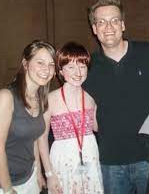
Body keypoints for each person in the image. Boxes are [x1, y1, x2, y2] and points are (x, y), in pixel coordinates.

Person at [83, 0, 149, 194]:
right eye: (101, 22)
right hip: (110, 162)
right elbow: (88, 109)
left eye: (114, 20)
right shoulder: (88, 66)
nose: (108, 27)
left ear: (123, 24)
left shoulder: (148, 53)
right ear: (94, 29)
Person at [0, 40, 56, 194]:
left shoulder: (40, 98)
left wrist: (37, 171)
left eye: (51, 64)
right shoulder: (6, 97)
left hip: (27, 176)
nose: (47, 69)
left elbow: (33, 138)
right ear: (25, 64)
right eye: (40, 62)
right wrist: (7, 190)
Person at [38, 42, 103, 194]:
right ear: (61, 71)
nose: (78, 72)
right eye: (71, 67)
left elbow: (96, 128)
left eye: (82, 66)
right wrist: (49, 174)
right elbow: (41, 140)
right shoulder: (50, 99)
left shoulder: (90, 98)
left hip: (89, 155)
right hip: (63, 159)